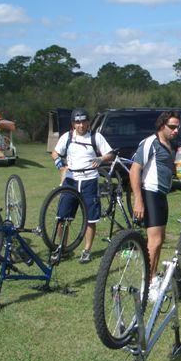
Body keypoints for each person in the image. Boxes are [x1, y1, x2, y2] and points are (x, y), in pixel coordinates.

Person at [130, 111, 181, 301]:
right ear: (162, 126)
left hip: (162, 195)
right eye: (172, 127)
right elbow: (135, 170)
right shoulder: (150, 142)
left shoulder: (170, 145)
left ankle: (152, 278)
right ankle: (147, 286)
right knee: (154, 241)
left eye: (178, 127)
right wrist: (138, 200)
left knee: (159, 240)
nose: (176, 131)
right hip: (150, 192)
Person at [51, 107, 114, 264]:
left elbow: (110, 153)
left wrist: (101, 159)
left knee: (91, 219)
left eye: (83, 122)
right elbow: (55, 152)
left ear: (88, 123)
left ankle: (86, 250)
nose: (81, 125)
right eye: (77, 122)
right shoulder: (67, 137)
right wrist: (58, 162)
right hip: (71, 179)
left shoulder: (96, 137)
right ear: (73, 124)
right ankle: (62, 248)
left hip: (89, 180)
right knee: (62, 217)